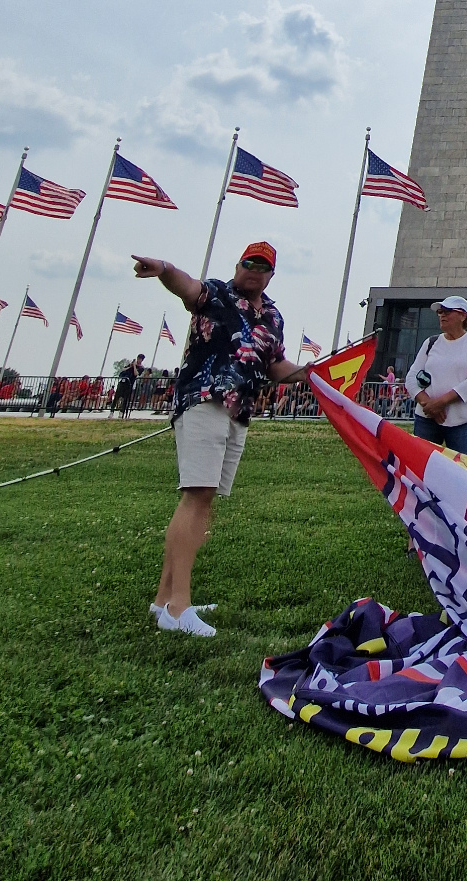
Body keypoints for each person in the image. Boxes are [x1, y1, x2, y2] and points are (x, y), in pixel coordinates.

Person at [132, 241, 311, 637]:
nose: (254, 270)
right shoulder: (216, 294)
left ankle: (163, 601)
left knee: (203, 501)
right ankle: (180, 608)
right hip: (204, 400)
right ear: (238, 265)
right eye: (249, 263)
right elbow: (187, 287)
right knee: (196, 496)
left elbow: (276, 364)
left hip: (238, 412)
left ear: (271, 274)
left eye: (262, 266)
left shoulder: (273, 316)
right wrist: (163, 267)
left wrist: (310, 373)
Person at [405, 295, 467, 456]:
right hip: (426, 418)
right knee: (420, 465)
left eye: (448, 311)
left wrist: (441, 403)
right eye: (440, 312)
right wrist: (428, 404)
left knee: (464, 470)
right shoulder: (431, 342)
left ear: (463, 316)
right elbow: (411, 377)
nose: (442, 315)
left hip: (462, 421)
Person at [111, 354, 145, 419]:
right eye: (138, 358)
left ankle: (122, 412)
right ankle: (112, 411)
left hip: (130, 384)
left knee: (125, 399)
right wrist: (130, 366)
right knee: (116, 397)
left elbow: (136, 374)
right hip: (123, 382)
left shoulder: (141, 368)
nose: (138, 360)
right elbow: (123, 370)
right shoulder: (130, 364)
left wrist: (134, 366)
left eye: (140, 359)